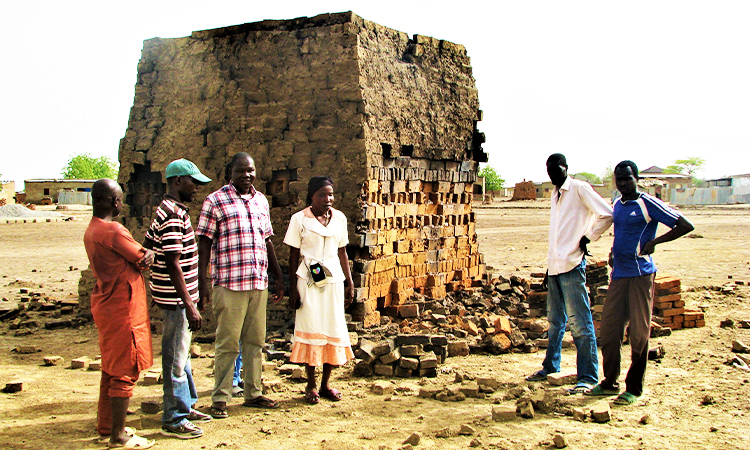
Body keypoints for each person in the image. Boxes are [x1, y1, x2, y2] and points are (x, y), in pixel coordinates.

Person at [586, 160, 694, 404]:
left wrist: (655, 243)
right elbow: (621, 233)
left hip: (641, 276)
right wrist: (613, 253)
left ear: (636, 178)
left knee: (639, 334)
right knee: (610, 331)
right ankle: (609, 382)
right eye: (619, 179)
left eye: (627, 178)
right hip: (619, 276)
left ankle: (633, 388)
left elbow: (685, 225)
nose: (623, 183)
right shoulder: (618, 205)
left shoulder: (647, 203)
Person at [196, 152, 285, 418]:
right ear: (229, 174)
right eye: (241, 171)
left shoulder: (260, 201)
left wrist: (278, 276)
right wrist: (203, 283)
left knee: (255, 342)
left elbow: (267, 240)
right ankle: (220, 398)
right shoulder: (214, 201)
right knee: (227, 343)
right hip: (229, 284)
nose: (247, 175)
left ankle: (253, 393)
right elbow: (204, 244)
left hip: (258, 282)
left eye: (251, 170)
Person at [526, 153, 613, 394]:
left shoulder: (579, 189)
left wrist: (588, 237)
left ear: (566, 168)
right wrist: (548, 268)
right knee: (555, 322)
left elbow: (607, 213)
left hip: (573, 265)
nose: (551, 174)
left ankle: (588, 376)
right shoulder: (555, 194)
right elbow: (558, 234)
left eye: (555, 169)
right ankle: (550, 366)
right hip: (555, 266)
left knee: (580, 323)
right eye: (548, 170)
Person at [83, 178, 156, 449]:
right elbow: (142, 258)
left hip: (106, 305)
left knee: (110, 368)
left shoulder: (91, 230)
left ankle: (106, 426)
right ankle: (118, 435)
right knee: (125, 370)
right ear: (114, 203)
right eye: (120, 199)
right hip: (123, 309)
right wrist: (146, 254)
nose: (122, 203)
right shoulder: (113, 231)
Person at [143, 159, 213, 439]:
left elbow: (148, 244)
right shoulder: (173, 215)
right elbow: (173, 264)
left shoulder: (169, 210)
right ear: (176, 182)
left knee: (182, 354)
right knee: (175, 357)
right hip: (176, 300)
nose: (196, 187)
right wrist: (189, 304)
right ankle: (174, 417)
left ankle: (187, 404)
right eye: (192, 182)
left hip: (174, 297)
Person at [284, 176, 355, 404]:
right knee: (311, 328)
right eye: (323, 195)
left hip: (333, 279)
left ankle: (326, 384)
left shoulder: (340, 219)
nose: (328, 199)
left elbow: (342, 251)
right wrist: (292, 289)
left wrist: (349, 282)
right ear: (311, 197)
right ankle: (311, 384)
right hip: (309, 278)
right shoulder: (299, 220)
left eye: (331, 195)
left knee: (331, 329)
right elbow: (294, 254)